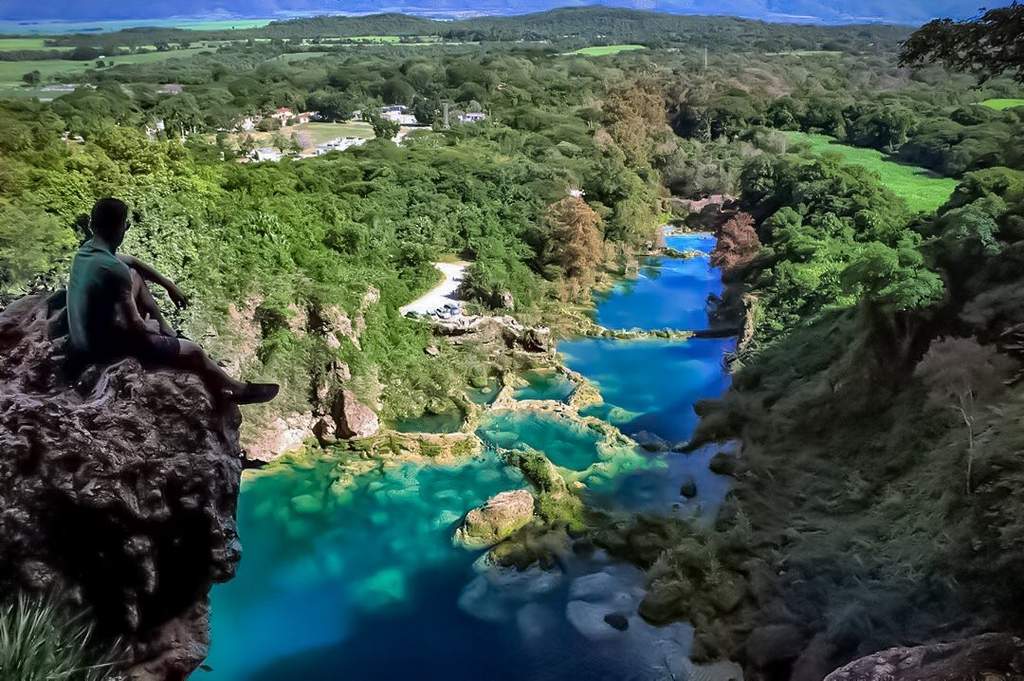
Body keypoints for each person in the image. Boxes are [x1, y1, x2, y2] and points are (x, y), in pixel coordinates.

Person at [66, 197, 279, 404]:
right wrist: (150, 326)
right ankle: (237, 390)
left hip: (83, 339)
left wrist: (169, 285)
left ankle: (169, 333)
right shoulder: (114, 270)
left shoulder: (86, 252)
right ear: (123, 227)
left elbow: (131, 262)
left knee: (136, 276)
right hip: (101, 351)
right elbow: (135, 327)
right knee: (194, 350)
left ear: (92, 225)